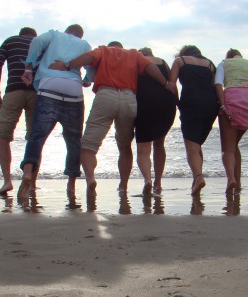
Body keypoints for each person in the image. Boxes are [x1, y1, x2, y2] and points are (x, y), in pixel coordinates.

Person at [51, 41, 169, 195]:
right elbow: (150, 67)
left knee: (88, 146)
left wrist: (67, 65)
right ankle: (124, 185)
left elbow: (87, 58)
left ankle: (91, 179)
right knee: (125, 146)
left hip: (106, 95)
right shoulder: (134, 54)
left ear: (111, 46)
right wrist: (165, 83)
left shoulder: (103, 51)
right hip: (129, 98)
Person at [17, 24, 93, 201]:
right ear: (80, 35)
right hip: (73, 89)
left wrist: (29, 67)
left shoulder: (54, 35)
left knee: (37, 135)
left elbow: (36, 41)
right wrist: (87, 80)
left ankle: (28, 173)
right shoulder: (84, 45)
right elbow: (90, 63)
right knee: (74, 140)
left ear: (67, 31)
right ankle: (71, 185)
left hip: (49, 85)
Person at [0, 27, 38, 195]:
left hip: (13, 91)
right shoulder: (40, 43)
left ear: (21, 34)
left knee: (3, 136)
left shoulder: (10, 41)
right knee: (34, 138)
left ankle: (7, 181)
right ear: (34, 35)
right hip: (36, 92)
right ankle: (32, 183)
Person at [168, 45, 219, 195]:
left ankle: (198, 177)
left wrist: (178, 102)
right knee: (196, 144)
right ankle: (196, 177)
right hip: (211, 106)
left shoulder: (180, 61)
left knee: (191, 145)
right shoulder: (210, 64)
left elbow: (171, 85)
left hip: (191, 103)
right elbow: (215, 86)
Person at [214, 49, 248, 194]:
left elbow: (217, 84)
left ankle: (231, 179)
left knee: (227, 149)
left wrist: (222, 105)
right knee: (234, 145)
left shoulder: (224, 63)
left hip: (231, 100)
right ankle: (238, 182)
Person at [134, 47, 176, 194]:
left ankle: (147, 180)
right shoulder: (163, 63)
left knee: (143, 150)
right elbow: (172, 83)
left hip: (145, 103)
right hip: (166, 105)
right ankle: (158, 182)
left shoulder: (138, 61)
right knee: (159, 144)